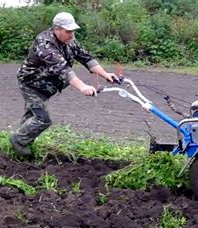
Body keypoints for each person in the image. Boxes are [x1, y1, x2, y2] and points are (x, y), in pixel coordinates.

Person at [10, 12, 119, 156]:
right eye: (68, 31)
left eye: (73, 31)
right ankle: (18, 140)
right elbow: (63, 70)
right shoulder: (45, 44)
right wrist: (83, 87)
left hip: (46, 86)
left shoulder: (70, 41)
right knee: (43, 119)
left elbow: (86, 58)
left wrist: (105, 74)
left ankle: (19, 149)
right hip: (31, 85)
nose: (72, 34)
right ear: (57, 29)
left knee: (32, 117)